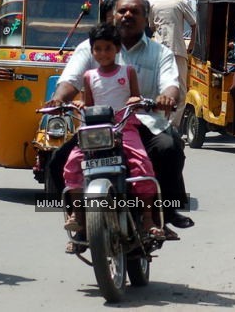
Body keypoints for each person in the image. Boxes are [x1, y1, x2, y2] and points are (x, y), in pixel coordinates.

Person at [49, 0, 193, 234]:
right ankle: (79, 218)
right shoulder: (90, 48)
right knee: (57, 160)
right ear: (113, 16)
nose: (128, 15)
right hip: (98, 126)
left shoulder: (160, 53)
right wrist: (58, 100)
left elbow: (172, 84)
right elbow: (70, 80)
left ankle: (164, 212)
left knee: (169, 149)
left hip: (142, 123)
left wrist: (167, 97)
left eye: (135, 11)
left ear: (146, 19)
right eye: (122, 11)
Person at [63, 23, 164, 248]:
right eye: (97, 49)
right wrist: (79, 104)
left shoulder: (127, 72)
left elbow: (135, 99)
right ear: (92, 51)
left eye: (107, 48)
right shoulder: (88, 76)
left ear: (117, 49)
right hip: (96, 131)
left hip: (124, 127)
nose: (102, 53)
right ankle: (78, 216)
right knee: (72, 164)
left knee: (142, 164)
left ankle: (148, 218)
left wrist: (137, 101)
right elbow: (89, 106)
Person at [148, 0, 197, 128]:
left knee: (157, 89)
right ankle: (172, 126)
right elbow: (195, 25)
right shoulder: (181, 1)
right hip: (178, 51)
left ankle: (159, 123)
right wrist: (192, 45)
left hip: (157, 52)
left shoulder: (152, 3)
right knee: (181, 92)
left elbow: (151, 27)